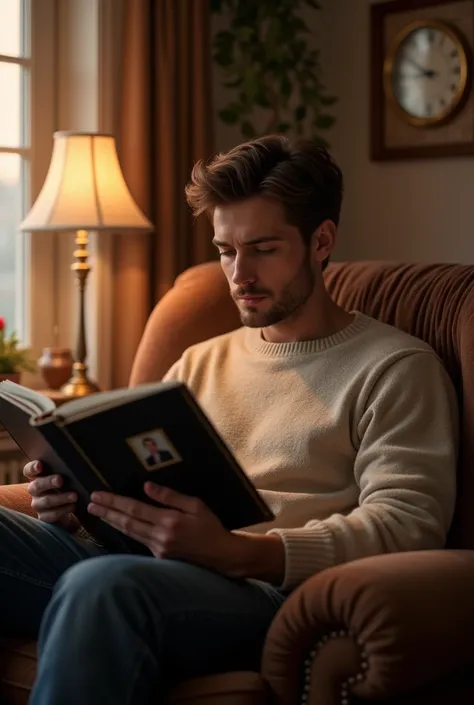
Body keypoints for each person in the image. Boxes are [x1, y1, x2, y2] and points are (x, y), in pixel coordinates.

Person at [0, 135, 458, 705]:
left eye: (263, 249)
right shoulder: (200, 360)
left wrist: (240, 552)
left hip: (259, 589)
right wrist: (71, 506)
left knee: (104, 586)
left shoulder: (395, 368)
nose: (239, 274)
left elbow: (408, 526)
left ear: (321, 241)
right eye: (224, 250)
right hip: (142, 565)